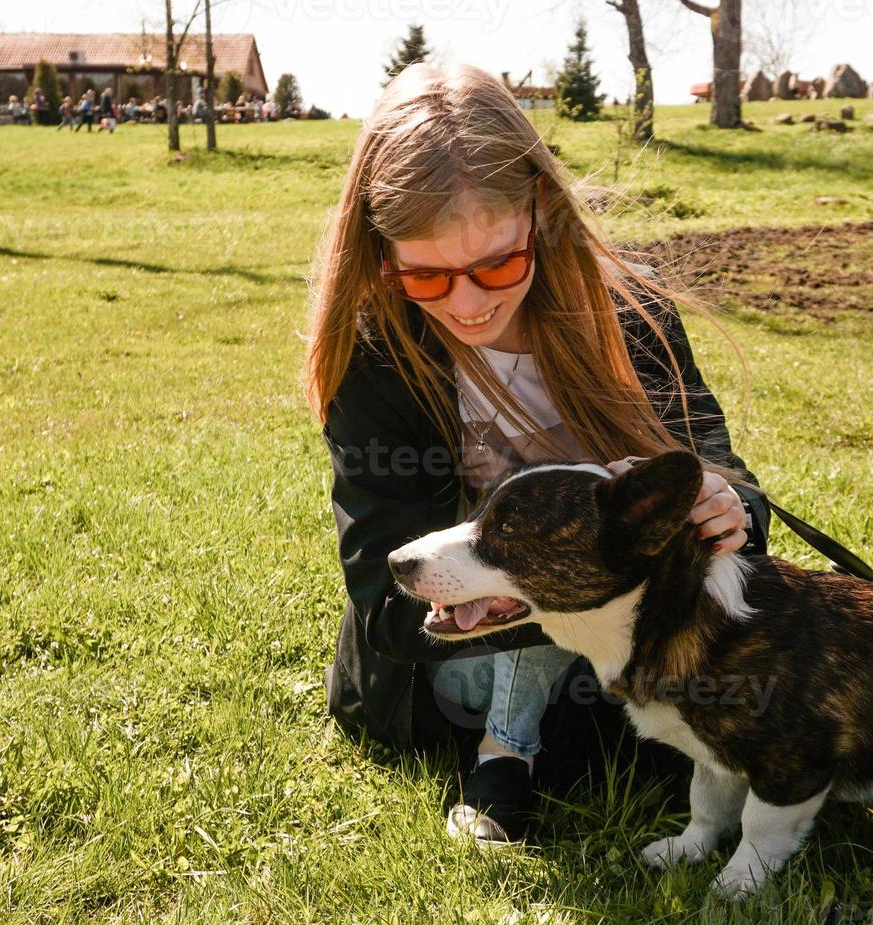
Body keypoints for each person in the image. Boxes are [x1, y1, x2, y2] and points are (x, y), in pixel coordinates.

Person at [305, 63, 771, 845]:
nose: (468, 301)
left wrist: (728, 509)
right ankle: (504, 750)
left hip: (625, 655)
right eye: (424, 275)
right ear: (381, 253)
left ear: (543, 215)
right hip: (455, 664)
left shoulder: (631, 310)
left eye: (497, 264)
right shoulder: (375, 355)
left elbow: (729, 480)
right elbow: (388, 607)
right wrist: (579, 587)